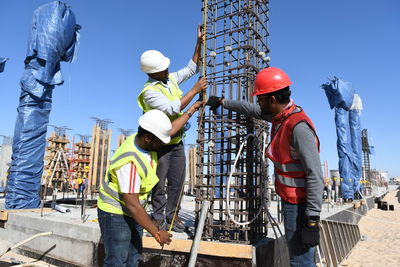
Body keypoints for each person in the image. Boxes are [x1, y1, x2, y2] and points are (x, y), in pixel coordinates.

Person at [206, 67, 324, 267]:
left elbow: (315, 174)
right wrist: (224, 103)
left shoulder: (297, 127)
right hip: (291, 200)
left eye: (260, 98)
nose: (258, 103)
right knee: (298, 258)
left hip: (300, 205)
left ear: (273, 100)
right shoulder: (281, 117)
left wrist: (312, 218)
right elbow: (251, 110)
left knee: (300, 261)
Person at [97, 103, 203, 267]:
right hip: (116, 213)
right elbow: (132, 203)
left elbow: (171, 130)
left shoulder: (145, 143)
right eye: (160, 141)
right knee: (117, 261)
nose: (163, 144)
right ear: (148, 138)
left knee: (134, 257)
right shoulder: (130, 162)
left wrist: (191, 111)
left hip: (133, 212)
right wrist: (157, 232)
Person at [137, 25, 208, 232]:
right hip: (159, 143)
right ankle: (158, 218)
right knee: (159, 183)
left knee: (177, 181)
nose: (168, 69)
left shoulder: (169, 80)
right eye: (163, 68)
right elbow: (172, 108)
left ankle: (173, 215)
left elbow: (191, 69)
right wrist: (195, 90)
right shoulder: (149, 92)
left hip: (176, 140)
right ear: (153, 72)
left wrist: (199, 43)